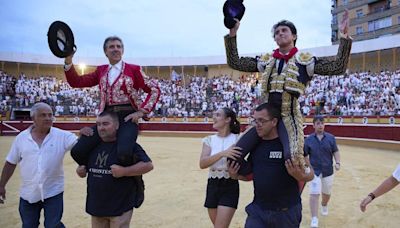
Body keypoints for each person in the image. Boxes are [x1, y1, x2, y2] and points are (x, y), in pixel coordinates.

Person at [224, 11, 352, 173]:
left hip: (289, 116)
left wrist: (344, 37)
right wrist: (232, 33)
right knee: (233, 157)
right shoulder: (267, 60)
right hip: (265, 116)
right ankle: (261, 175)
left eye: (284, 30)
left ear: (294, 36)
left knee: (293, 158)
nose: (280, 34)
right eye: (277, 32)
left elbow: (338, 67)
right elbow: (235, 62)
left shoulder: (304, 61)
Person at [63, 36, 160, 166]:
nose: (115, 49)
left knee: (124, 152)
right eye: (111, 47)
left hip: (127, 118)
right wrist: (68, 59)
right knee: (78, 151)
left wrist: (141, 112)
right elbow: (76, 81)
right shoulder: (101, 70)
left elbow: (154, 89)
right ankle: (95, 169)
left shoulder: (134, 69)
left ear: (123, 50)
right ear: (105, 52)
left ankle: (133, 176)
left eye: (118, 46)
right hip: (106, 118)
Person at [228, 103, 314, 228]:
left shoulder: (292, 145)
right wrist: (235, 176)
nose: (257, 125)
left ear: (274, 121)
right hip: (258, 210)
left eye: (261, 121)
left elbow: (310, 173)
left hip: (286, 212)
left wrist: (301, 175)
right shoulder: (256, 145)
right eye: (255, 121)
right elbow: (251, 175)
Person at [0, 102, 77, 228]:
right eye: (43, 115)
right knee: (29, 225)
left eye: (50, 115)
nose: (48, 118)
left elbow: (80, 146)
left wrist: (86, 135)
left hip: (53, 191)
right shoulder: (21, 138)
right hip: (28, 193)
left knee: (53, 225)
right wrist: (1, 185)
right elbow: (10, 163)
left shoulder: (63, 136)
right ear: (33, 118)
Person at [75, 111, 153, 228]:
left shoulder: (129, 146)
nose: (101, 128)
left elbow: (148, 165)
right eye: (99, 124)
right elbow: (84, 168)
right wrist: (80, 170)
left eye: (106, 124)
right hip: (96, 204)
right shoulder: (92, 146)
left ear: (117, 126)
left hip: (120, 205)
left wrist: (125, 171)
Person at [199, 107, 242, 228]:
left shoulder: (238, 139)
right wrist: (223, 153)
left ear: (228, 119)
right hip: (212, 184)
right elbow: (202, 163)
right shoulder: (209, 140)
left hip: (230, 184)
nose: (214, 117)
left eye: (218, 115)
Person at [304, 115, 341, 228]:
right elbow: (305, 155)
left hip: (328, 170)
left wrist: (338, 162)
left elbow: (335, 151)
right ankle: (314, 218)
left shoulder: (331, 138)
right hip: (314, 171)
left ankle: (324, 204)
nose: (320, 125)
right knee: (314, 193)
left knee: (327, 193)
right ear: (314, 125)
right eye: (318, 123)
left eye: (322, 123)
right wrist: (309, 167)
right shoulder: (308, 139)